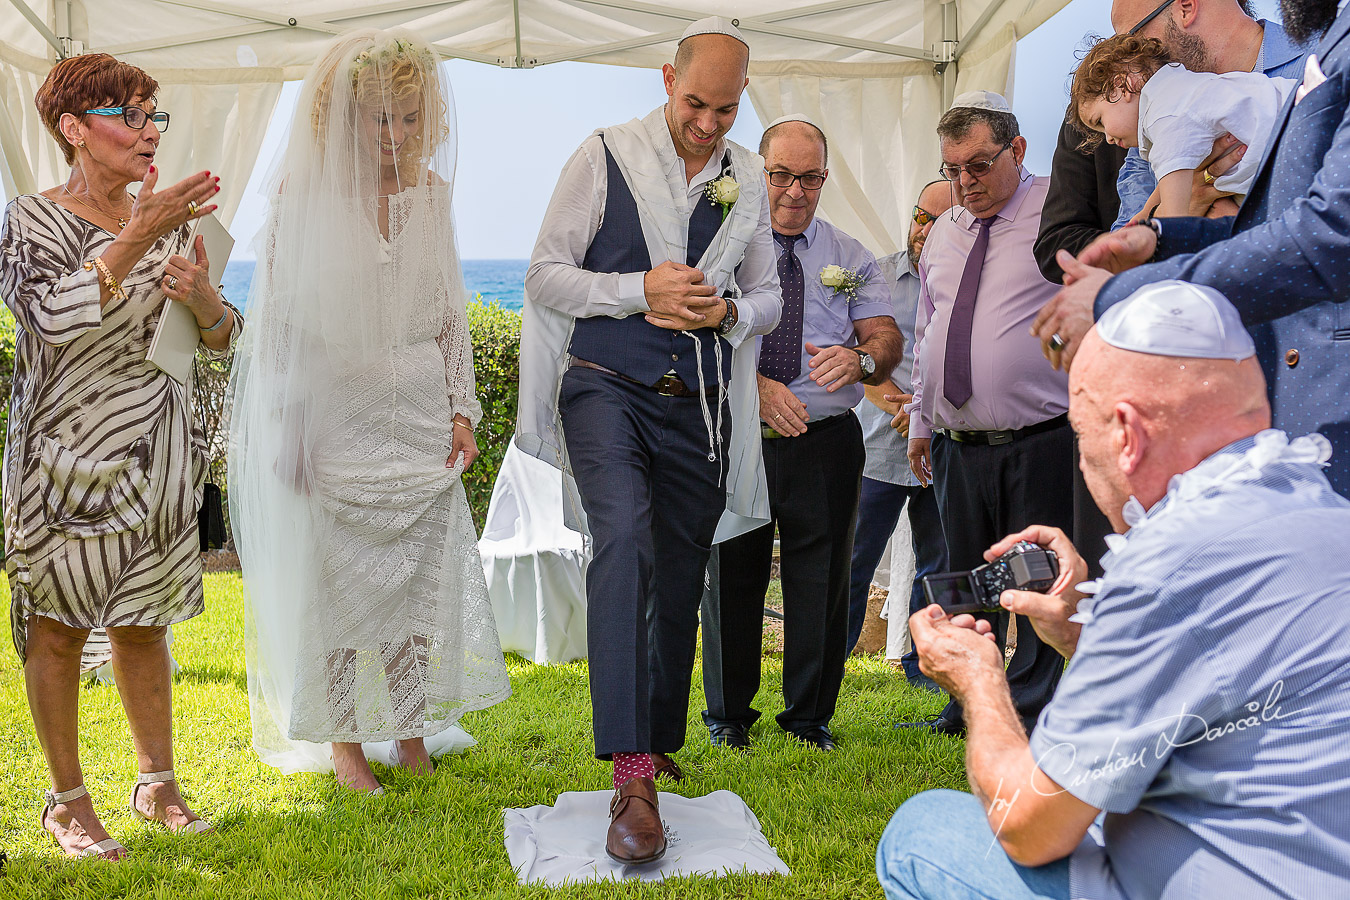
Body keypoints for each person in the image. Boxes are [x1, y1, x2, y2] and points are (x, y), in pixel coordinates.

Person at [876, 281, 1350, 900]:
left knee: (923, 833)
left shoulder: (1171, 567)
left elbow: (1029, 825)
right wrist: (1082, 634)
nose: (1081, 459)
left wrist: (980, 682)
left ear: (1125, 433)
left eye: (1079, 431)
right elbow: (1218, 679)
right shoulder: (1322, 513)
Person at [516, 17, 781, 864]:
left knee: (678, 570)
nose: (708, 125)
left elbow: (767, 295)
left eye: (726, 110)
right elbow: (545, 274)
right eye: (696, 104)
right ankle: (631, 776)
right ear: (666, 82)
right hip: (604, 387)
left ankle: (659, 739)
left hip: (699, 405)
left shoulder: (747, 177)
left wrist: (731, 311)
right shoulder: (602, 155)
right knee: (623, 542)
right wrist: (639, 289)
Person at [228, 29, 511, 795]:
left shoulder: (435, 195)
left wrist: (463, 411)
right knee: (339, 591)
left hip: (419, 414)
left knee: (418, 585)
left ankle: (411, 733)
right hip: (338, 419)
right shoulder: (300, 198)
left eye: (411, 119)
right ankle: (347, 742)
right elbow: (280, 323)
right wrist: (290, 425)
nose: (395, 135)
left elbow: (451, 315)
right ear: (342, 117)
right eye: (379, 118)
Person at [0, 52, 234, 858]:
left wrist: (207, 304)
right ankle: (66, 802)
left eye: (152, 116)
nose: (147, 132)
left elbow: (219, 340)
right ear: (74, 128)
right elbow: (52, 318)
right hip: (66, 460)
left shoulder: (172, 217)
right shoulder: (31, 220)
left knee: (144, 622)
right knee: (57, 628)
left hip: (162, 453)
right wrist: (137, 233)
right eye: (129, 116)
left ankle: (156, 781)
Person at [1033, 0, 1350, 497]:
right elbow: (1265, 225)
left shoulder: (1330, 50)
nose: (1129, 53)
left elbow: (1327, 236)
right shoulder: (1158, 113)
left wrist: (1116, 293)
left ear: (1184, 8)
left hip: (1327, 398)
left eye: (1136, 34)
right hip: (1252, 409)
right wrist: (1159, 237)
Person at [701, 116, 903, 752]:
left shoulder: (849, 255)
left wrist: (864, 361)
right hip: (742, 437)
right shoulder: (725, 246)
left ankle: (809, 718)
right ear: (759, 175)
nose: (796, 190)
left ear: (824, 179)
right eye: (782, 176)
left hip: (826, 440)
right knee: (732, 574)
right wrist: (753, 387)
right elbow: (699, 332)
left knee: (822, 582)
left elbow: (885, 340)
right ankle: (728, 717)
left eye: (810, 178)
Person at [899, 91, 1072, 737]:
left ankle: (1029, 704)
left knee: (1034, 578)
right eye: (952, 169)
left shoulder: (1059, 209)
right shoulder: (944, 232)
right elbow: (927, 329)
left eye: (977, 165)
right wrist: (921, 422)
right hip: (956, 442)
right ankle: (964, 700)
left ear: (1017, 150)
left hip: (1041, 435)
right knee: (963, 575)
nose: (964, 182)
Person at [845, 180, 953, 687]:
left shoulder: (968, 280)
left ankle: (925, 669)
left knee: (937, 563)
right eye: (920, 215)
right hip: (877, 446)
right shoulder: (878, 277)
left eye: (937, 220)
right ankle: (830, 660)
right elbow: (858, 355)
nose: (922, 229)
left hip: (943, 444)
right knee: (853, 561)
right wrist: (907, 408)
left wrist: (930, 415)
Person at [1108, 0, 1308, 227]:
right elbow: (1121, 254)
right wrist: (1190, 202)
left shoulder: (1328, 61)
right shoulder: (1154, 122)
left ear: (1186, 8)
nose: (1128, 59)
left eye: (1132, 42)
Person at [1070, 34, 1296, 216]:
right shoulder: (1177, 93)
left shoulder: (1165, 117)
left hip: (1296, 146)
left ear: (1122, 85)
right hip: (1298, 117)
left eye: (1100, 121)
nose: (1107, 138)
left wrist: (1156, 235)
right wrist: (1144, 215)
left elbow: (1174, 220)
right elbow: (1171, 176)